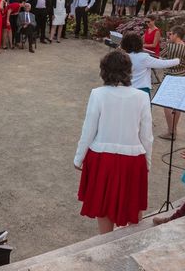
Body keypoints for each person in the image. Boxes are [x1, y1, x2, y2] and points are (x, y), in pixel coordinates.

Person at [74, 50, 153, 234]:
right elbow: (147, 135)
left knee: (104, 205)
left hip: (102, 158)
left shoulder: (98, 94)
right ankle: (130, 243)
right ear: (128, 71)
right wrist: (147, 162)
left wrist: (79, 158)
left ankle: (105, 243)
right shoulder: (142, 96)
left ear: (104, 70)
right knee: (133, 205)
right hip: (133, 159)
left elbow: (89, 129)